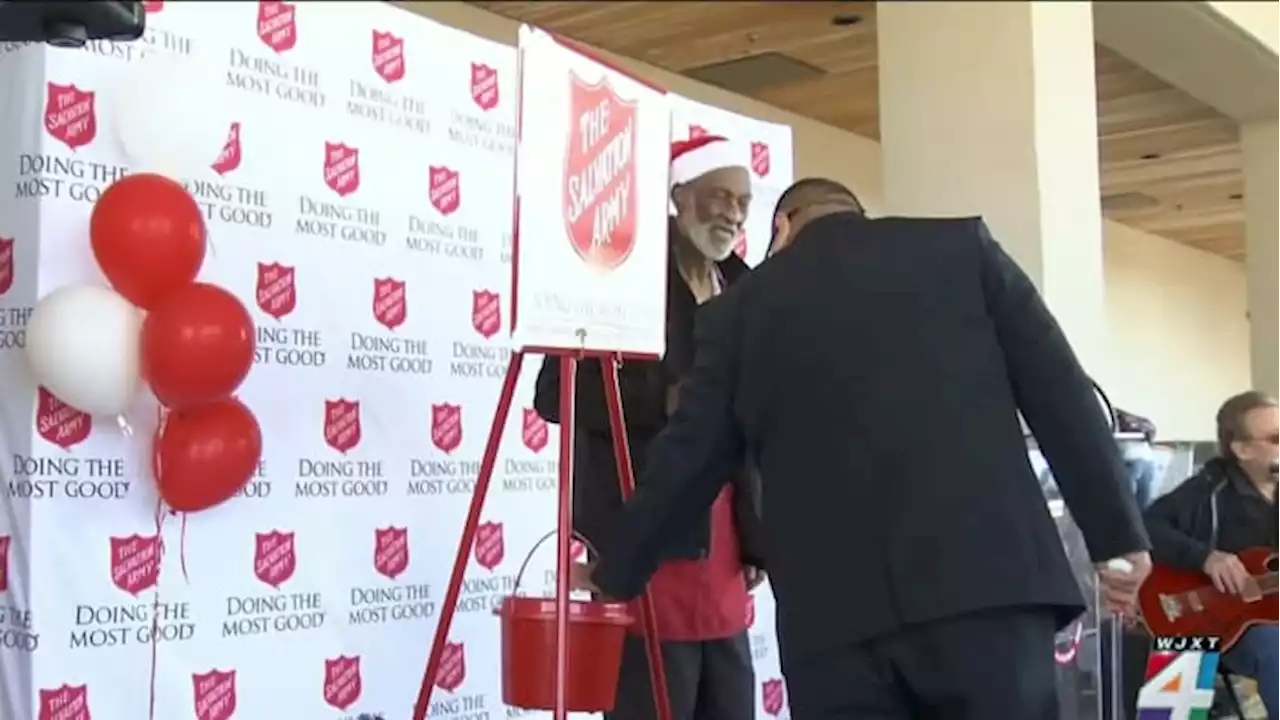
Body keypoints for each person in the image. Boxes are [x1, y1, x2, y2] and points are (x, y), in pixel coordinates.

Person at [574, 177, 1152, 719]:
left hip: (835, 626)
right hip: (988, 598)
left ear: (781, 230)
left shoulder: (739, 310)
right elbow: (1065, 398)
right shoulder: (961, 250)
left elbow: (688, 459)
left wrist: (614, 572)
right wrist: (1119, 542)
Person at [533, 136, 766, 720]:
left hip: (727, 546)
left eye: (742, 200)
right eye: (718, 196)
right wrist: (661, 399)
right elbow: (553, 393)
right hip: (645, 535)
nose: (733, 213)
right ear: (677, 196)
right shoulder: (620, 276)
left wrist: (759, 532)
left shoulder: (746, 288)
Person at [1144, 390, 1280, 713]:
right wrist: (1205, 557)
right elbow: (1147, 527)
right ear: (1242, 449)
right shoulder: (1209, 489)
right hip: (1210, 620)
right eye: (1277, 437)